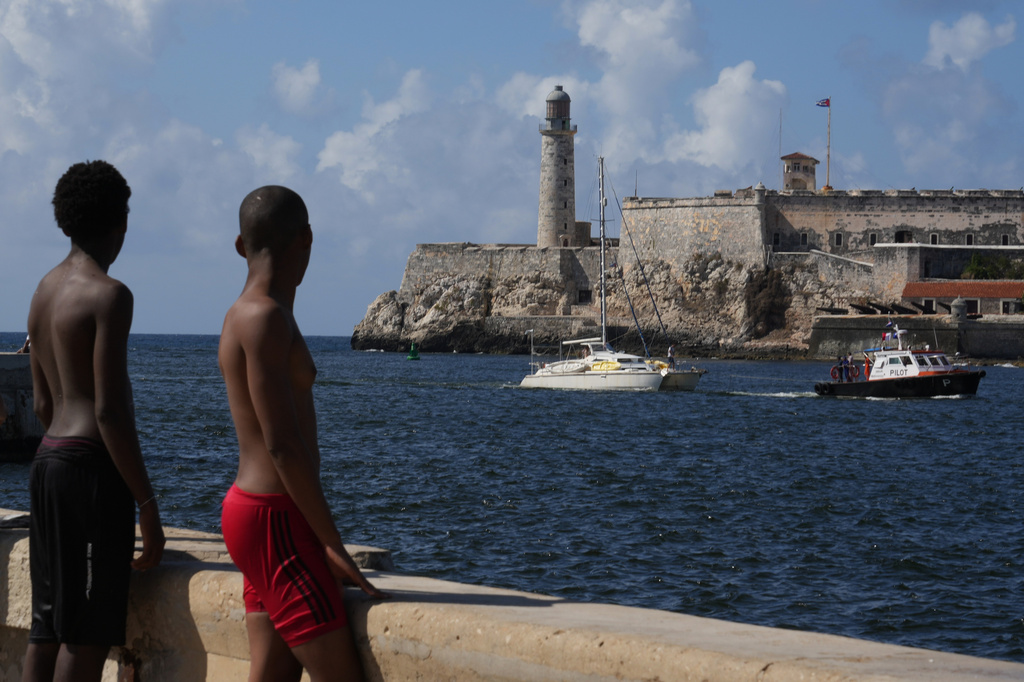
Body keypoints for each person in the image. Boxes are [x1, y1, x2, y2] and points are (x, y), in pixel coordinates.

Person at [219, 185, 388, 682]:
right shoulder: (267, 317)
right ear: (306, 238)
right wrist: (331, 542)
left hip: (251, 512)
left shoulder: (241, 312)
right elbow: (282, 444)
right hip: (275, 517)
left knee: (272, 673)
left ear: (239, 246)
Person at [23, 160, 165, 682]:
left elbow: (42, 404)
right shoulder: (110, 295)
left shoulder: (42, 291)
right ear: (120, 224)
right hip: (90, 472)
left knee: (46, 626)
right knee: (85, 633)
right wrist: (147, 506)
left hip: (47, 464)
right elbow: (108, 411)